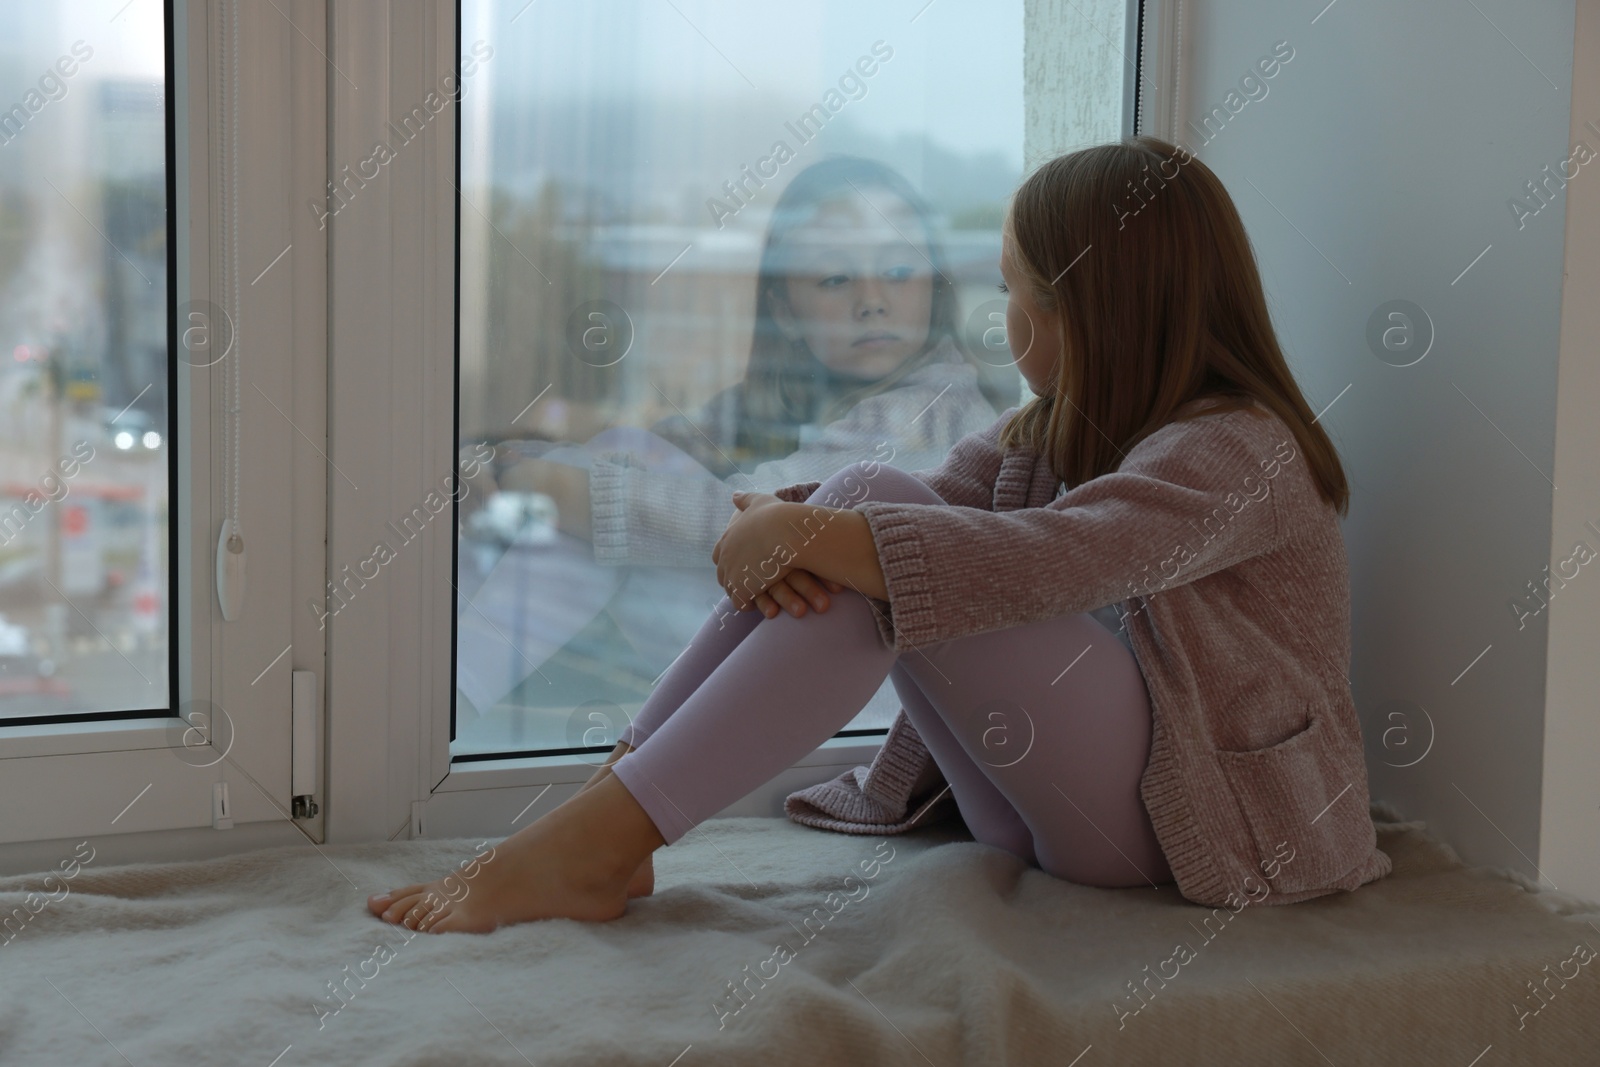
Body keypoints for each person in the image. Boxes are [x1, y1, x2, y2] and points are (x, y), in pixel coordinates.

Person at [369, 136, 1392, 933]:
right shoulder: (1049, 432)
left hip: (1200, 826)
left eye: (1011, 291)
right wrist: (791, 522)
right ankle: (604, 817)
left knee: (882, 532)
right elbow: (919, 500)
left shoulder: (1238, 452)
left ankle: (601, 836)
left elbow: (1056, 558)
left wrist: (813, 528)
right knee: (870, 513)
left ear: (1087, 308)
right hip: (1051, 815)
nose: (999, 316)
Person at [454, 155, 1007, 716]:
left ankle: (446, 698)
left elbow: (741, 520)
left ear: (934, 292)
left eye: (897, 272)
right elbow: (669, 443)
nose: (872, 299)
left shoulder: (929, 412)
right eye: (835, 278)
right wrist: (518, 460)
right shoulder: (807, 392)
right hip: (801, 667)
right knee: (621, 454)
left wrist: (553, 487)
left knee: (596, 502)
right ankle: (450, 681)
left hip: (869, 709)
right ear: (785, 312)